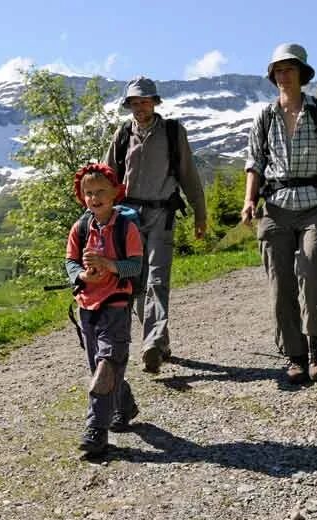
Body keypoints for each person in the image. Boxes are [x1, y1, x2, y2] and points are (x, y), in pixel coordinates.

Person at [241, 43, 317, 384]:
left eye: (289, 69)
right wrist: (249, 201)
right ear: (272, 76)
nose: (283, 75)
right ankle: (294, 355)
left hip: (315, 205)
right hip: (275, 207)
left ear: (302, 74)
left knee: (314, 276)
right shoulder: (264, 115)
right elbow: (254, 162)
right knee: (281, 284)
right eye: (278, 70)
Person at [104, 76, 207, 373]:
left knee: (157, 279)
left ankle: (151, 342)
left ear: (155, 102)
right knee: (135, 282)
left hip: (162, 214)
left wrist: (200, 214)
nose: (139, 107)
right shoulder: (122, 135)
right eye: (134, 103)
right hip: (127, 219)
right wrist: (96, 218)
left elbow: (189, 176)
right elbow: (106, 177)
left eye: (144, 101)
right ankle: (160, 341)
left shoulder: (173, 133)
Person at [66, 163, 143, 455]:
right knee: (100, 365)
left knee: (107, 365)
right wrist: (83, 275)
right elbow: (71, 263)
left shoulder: (127, 227)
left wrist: (109, 266)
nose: (94, 197)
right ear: (81, 196)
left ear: (114, 194)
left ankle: (96, 432)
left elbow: (135, 265)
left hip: (116, 303)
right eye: (88, 193)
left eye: (100, 192)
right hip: (87, 306)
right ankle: (126, 405)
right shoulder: (80, 228)